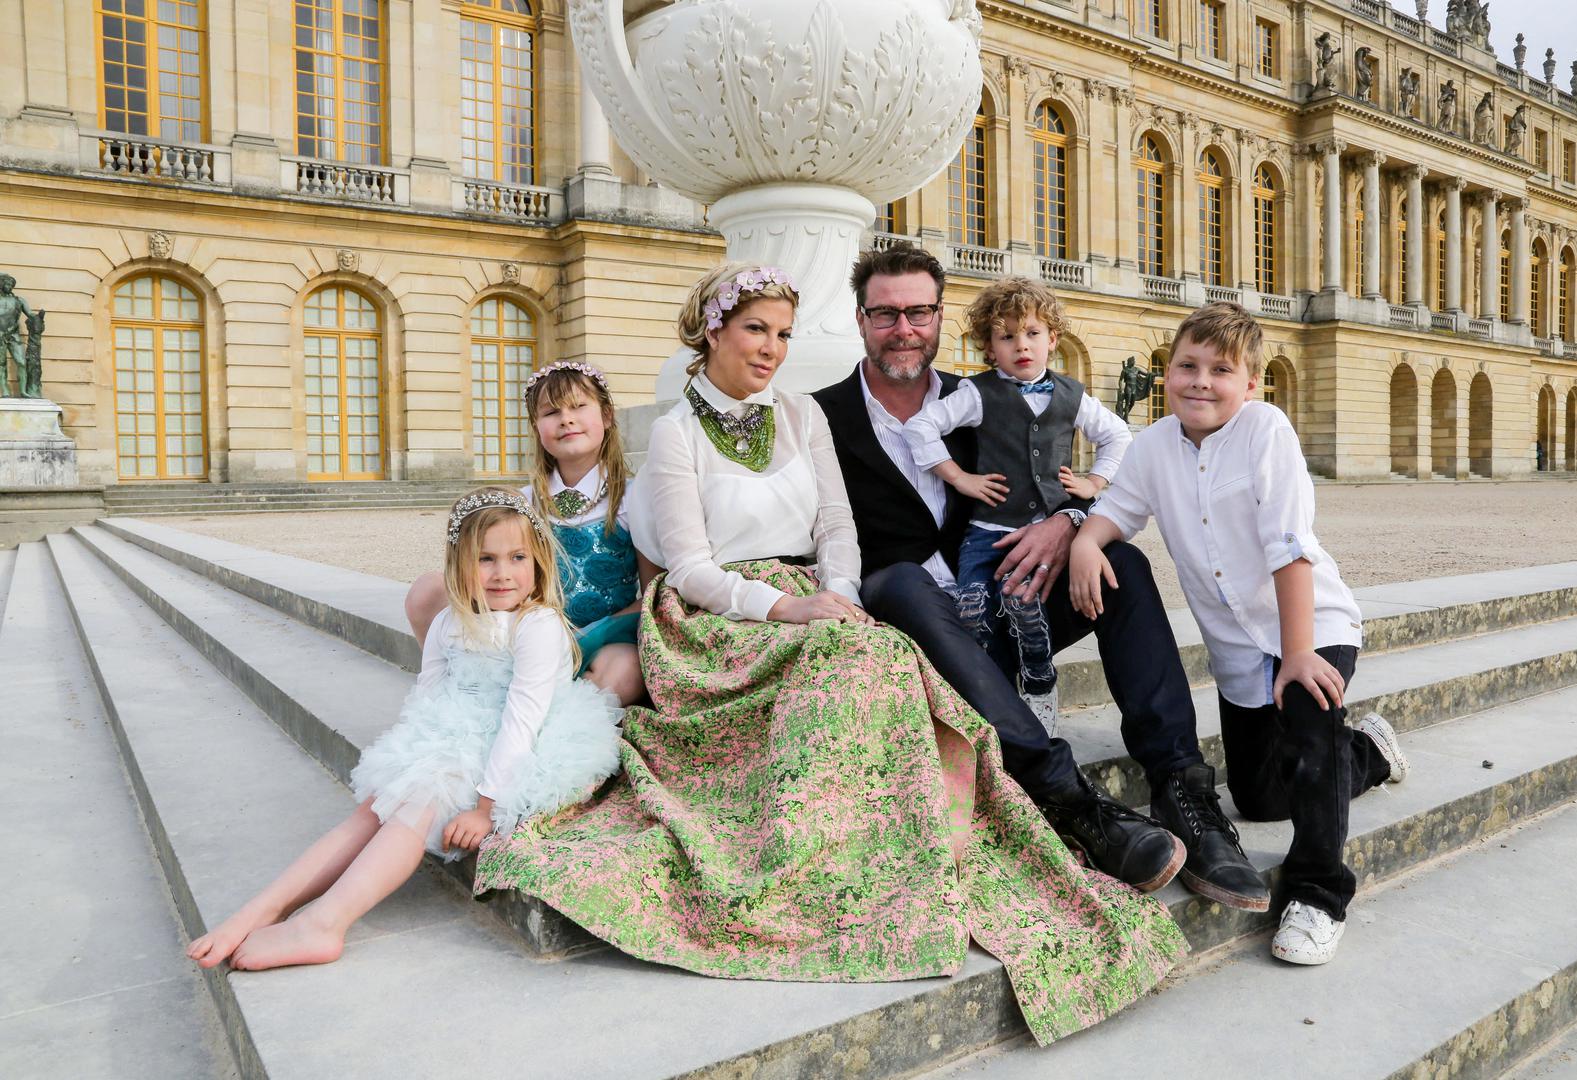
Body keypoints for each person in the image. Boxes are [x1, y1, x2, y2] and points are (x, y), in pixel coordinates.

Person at [473, 263, 1186, 1047]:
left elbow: (837, 528)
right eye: (755, 329)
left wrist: (836, 598)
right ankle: (831, 873)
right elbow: (690, 568)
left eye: (783, 333)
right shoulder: (676, 432)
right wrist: (787, 608)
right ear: (712, 329)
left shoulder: (810, 412)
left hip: (831, 594)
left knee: (879, 656)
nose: (772, 348)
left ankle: (1128, 795)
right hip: (721, 615)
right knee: (854, 669)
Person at [813, 243, 1267, 912]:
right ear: (860, 319)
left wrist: (1071, 520)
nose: (903, 328)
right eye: (885, 314)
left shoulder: (979, 395)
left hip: (1005, 606)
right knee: (902, 581)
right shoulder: (818, 414)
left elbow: (1068, 475)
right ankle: (1069, 797)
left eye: (919, 312)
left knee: (1119, 562)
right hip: (911, 630)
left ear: (939, 317)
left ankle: (1181, 787)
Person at [1069, 303, 1410, 965]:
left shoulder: (1266, 430)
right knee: (1258, 797)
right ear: (1167, 372)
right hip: (1237, 653)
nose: (1200, 380)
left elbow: (1289, 545)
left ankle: (1319, 894)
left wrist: (1299, 653)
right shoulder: (1152, 447)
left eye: (1221, 370)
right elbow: (1116, 512)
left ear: (1251, 384)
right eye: (1187, 366)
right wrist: (1086, 541)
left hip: (1310, 624)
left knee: (1310, 730)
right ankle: (1367, 751)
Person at [186, 487, 623, 971]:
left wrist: (484, 808)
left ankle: (326, 923)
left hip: (522, 745)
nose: (503, 573)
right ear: (459, 564)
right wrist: (410, 760)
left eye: (517, 558)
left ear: (537, 560)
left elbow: (523, 719)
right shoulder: (449, 621)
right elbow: (428, 696)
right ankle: (267, 907)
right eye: (486, 559)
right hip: (456, 730)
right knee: (375, 808)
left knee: (416, 809)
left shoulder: (536, 625)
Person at [902, 275, 1130, 732]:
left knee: (1027, 606)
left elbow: (1119, 435)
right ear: (989, 348)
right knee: (972, 609)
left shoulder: (1073, 395)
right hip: (987, 534)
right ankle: (987, 700)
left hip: (1047, 530)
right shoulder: (976, 393)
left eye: (1032, 333)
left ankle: (1040, 683)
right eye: (1006, 337)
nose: (1021, 345)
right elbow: (919, 427)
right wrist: (959, 477)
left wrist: (1094, 481)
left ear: (1053, 339)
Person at [404, 363, 644, 704]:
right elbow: (488, 569)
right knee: (428, 590)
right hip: (523, 631)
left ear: (607, 415)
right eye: (551, 412)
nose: (566, 419)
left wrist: (587, 634)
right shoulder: (521, 503)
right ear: (536, 427)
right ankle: (465, 693)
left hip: (599, 640)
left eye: (578, 406)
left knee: (625, 670)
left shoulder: (634, 498)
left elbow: (653, 591)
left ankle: (553, 714)